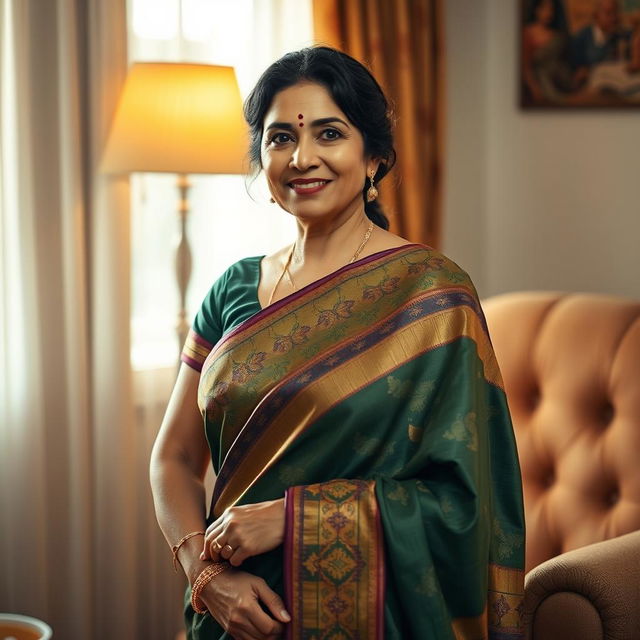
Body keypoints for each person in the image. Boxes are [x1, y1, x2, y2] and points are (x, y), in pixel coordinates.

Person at [150, 46, 525, 640]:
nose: (302, 158)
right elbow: (171, 458)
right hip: (233, 616)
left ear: (373, 156)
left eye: (330, 133)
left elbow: (464, 503)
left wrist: (292, 521)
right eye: (279, 139)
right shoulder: (232, 289)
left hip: (377, 619)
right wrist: (206, 579)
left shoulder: (431, 294)